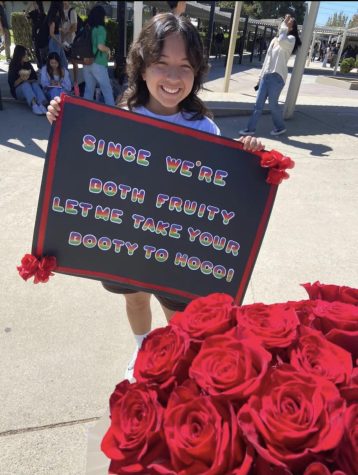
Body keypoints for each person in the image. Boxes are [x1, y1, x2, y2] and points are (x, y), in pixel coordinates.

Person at [46, 13, 263, 380]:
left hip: (179, 248)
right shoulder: (123, 117)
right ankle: (143, 348)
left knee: (179, 313)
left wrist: (249, 157)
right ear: (142, 68)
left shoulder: (204, 127)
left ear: (197, 73)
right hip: (128, 239)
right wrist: (63, 120)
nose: (174, 78)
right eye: (162, 64)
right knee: (134, 299)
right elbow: (97, 167)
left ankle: (178, 358)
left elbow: (218, 187)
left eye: (185, 66)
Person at [239, 14, 301, 137]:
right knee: (258, 105)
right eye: (286, 21)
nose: (287, 22)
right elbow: (267, 59)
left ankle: (280, 127)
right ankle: (250, 129)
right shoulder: (274, 40)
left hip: (277, 77)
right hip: (266, 76)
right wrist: (260, 77)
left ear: (292, 27)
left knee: (273, 105)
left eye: (290, 22)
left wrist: (284, 26)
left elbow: (282, 39)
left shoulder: (290, 40)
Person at [81, 5, 114, 106]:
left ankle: (86, 113)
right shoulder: (100, 29)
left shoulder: (87, 28)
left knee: (88, 90)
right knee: (107, 90)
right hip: (98, 63)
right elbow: (100, 46)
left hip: (86, 62)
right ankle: (113, 113)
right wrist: (108, 50)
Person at [8, 45, 47, 115]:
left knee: (34, 84)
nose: (27, 56)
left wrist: (28, 80)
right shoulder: (13, 65)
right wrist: (21, 79)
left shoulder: (27, 64)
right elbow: (13, 84)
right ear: (19, 55)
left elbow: (35, 78)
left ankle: (41, 104)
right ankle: (34, 105)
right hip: (18, 91)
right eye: (25, 55)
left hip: (30, 87)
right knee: (25, 85)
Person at [25, 1, 46, 68]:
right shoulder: (33, 12)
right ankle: (39, 65)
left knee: (43, 50)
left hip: (42, 34)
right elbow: (26, 15)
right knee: (36, 50)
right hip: (35, 34)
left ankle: (44, 64)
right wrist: (29, 5)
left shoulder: (43, 14)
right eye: (33, 4)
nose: (34, 5)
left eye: (35, 4)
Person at [47, 1, 68, 69]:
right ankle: (55, 78)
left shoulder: (56, 17)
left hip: (57, 40)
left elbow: (55, 29)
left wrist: (61, 29)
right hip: (54, 41)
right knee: (55, 63)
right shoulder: (53, 18)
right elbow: (51, 33)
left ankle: (64, 78)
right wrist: (60, 43)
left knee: (63, 62)